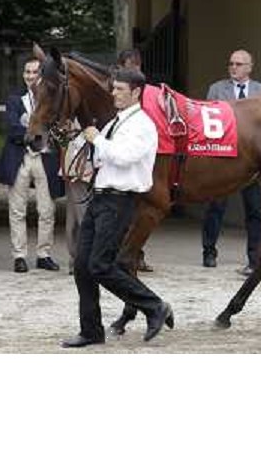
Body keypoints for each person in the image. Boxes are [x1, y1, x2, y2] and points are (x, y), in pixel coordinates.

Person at [62, 68, 173, 347]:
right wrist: (80, 137)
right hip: (100, 198)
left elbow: (124, 156)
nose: (114, 93)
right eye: (114, 89)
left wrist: (96, 139)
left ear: (136, 93)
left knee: (99, 265)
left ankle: (154, 306)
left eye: (120, 89)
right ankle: (91, 331)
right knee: (82, 267)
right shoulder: (116, 123)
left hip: (119, 201)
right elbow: (102, 155)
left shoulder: (143, 125)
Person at [0, 57, 64, 273]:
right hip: (20, 157)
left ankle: (43, 254)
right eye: (27, 72)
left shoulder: (52, 99)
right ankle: (19, 255)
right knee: (17, 209)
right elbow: (12, 128)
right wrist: (35, 133)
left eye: (35, 72)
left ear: (42, 75)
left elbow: (56, 126)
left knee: (47, 209)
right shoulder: (15, 99)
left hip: (46, 157)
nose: (30, 76)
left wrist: (30, 128)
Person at [201, 49, 261, 276]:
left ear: (249, 67)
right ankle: (209, 251)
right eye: (231, 64)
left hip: (252, 161)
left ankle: (254, 256)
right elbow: (207, 119)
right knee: (215, 206)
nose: (233, 67)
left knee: (255, 209)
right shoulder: (217, 89)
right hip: (224, 159)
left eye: (239, 64)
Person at [115, 48, 154, 273]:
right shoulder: (118, 97)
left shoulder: (148, 96)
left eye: (136, 67)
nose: (133, 71)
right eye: (129, 67)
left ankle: (135, 255)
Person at [62, 119, 94, 275]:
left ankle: (76, 260)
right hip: (78, 167)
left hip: (81, 166)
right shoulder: (73, 113)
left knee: (76, 216)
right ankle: (80, 260)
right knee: (80, 217)